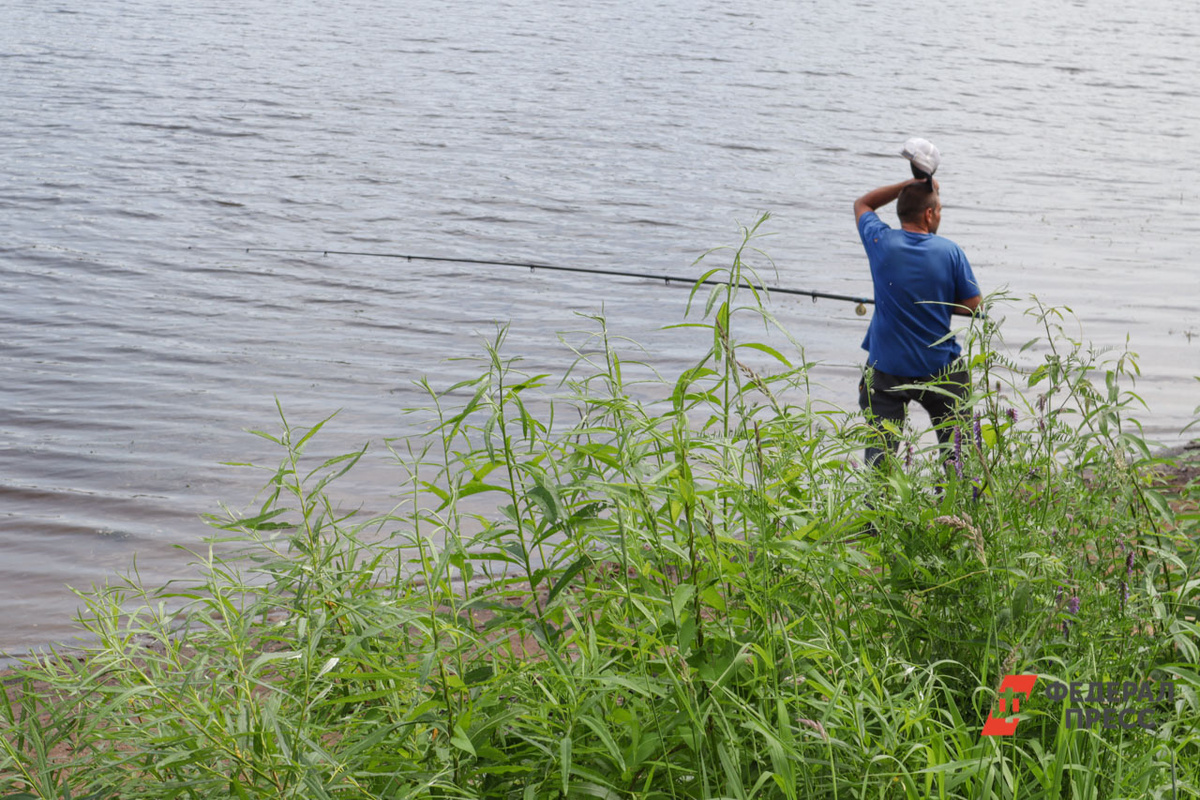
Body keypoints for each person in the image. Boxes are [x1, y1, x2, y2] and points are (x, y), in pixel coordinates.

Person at [853, 175, 982, 468]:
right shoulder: (949, 251)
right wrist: (938, 302)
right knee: (959, 453)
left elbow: (863, 204)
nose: (940, 216)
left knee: (879, 461)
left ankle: (879, 496)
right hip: (939, 366)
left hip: (886, 368)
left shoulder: (879, 241)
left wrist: (907, 185)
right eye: (939, 210)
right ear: (928, 214)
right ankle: (958, 491)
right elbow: (974, 306)